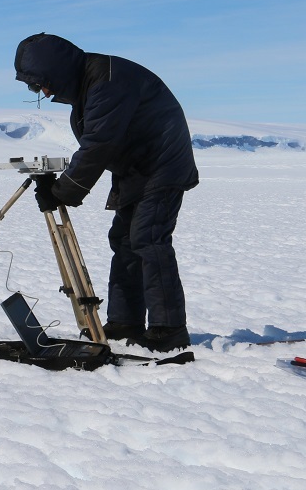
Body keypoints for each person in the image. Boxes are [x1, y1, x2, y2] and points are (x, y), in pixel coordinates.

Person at [13, 33, 198, 352]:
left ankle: (169, 328)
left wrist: (62, 191)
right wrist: (59, 184)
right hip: (136, 169)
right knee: (125, 241)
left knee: (148, 238)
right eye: (34, 88)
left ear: (57, 70)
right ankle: (125, 321)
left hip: (161, 165)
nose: (43, 91)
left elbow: (99, 143)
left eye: (40, 83)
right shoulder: (90, 87)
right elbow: (96, 144)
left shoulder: (107, 82)